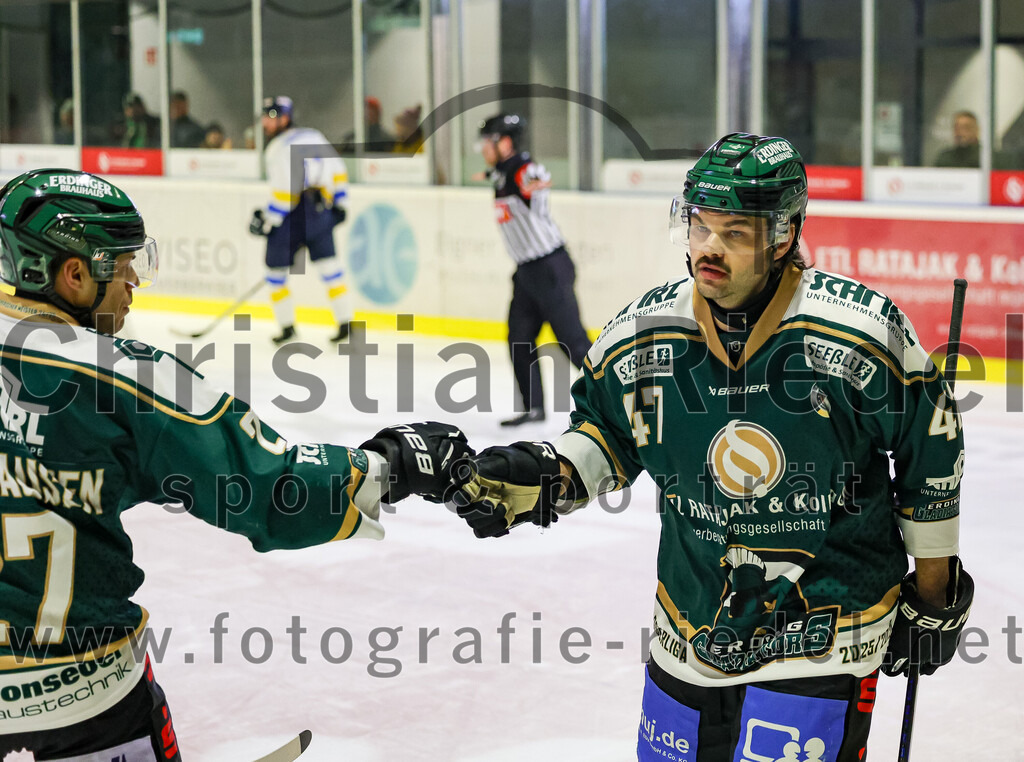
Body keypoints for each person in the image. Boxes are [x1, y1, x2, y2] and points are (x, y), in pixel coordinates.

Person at [451, 133, 973, 760]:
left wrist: (935, 592)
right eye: (699, 225)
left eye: (735, 232)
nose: (709, 248)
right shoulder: (644, 335)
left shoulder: (859, 332)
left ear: (783, 236)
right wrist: (547, 473)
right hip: (690, 625)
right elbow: (607, 435)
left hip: (828, 627)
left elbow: (929, 455)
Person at [0, 168, 470, 759]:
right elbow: (268, 488)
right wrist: (390, 464)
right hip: (86, 698)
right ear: (73, 275)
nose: (134, 282)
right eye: (122, 267)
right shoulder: (125, 377)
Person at [476, 113, 591, 426]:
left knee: (573, 343)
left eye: (488, 142)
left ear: (505, 143)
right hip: (527, 272)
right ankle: (534, 407)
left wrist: (533, 185)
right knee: (519, 338)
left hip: (549, 267)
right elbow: (503, 177)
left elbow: (535, 179)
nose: (483, 148)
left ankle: (620, 400)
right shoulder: (503, 173)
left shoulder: (523, 169)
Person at [249, 96, 352, 344]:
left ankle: (288, 329)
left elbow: (286, 195)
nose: (266, 122)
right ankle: (346, 323)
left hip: (291, 218)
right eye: (265, 116)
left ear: (285, 118)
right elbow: (339, 170)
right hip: (319, 210)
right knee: (330, 268)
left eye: (272, 116)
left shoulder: (277, 148)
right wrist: (341, 203)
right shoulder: (315, 136)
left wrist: (269, 220)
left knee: (275, 274)